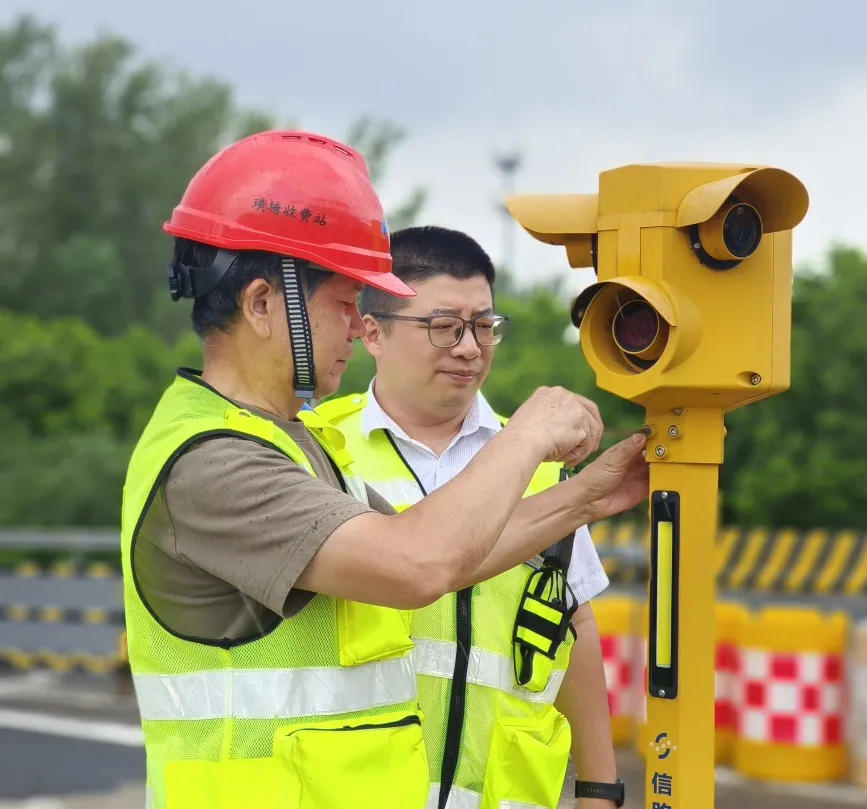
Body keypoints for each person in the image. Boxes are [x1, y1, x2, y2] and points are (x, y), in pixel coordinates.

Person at [119, 130, 649, 809]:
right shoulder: (215, 462)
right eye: (345, 304)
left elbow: (445, 555)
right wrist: (527, 434)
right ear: (261, 304)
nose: (356, 326)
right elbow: (417, 564)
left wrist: (584, 498)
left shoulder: (282, 442)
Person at [316, 226, 635, 809]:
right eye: (443, 326)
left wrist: (599, 789)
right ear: (373, 332)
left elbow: (572, 622)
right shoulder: (319, 450)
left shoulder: (542, 466)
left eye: (484, 325)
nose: (469, 347)